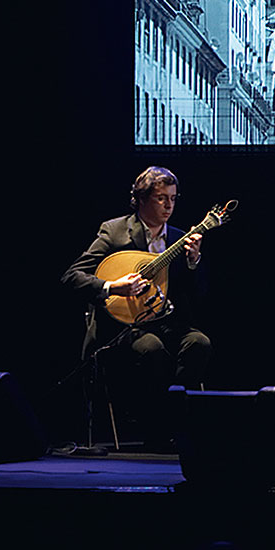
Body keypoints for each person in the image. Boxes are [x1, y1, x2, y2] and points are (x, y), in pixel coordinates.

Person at [61, 165, 211, 449]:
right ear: (141, 199)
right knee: (151, 349)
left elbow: (200, 295)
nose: (169, 205)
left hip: (166, 321)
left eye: (173, 198)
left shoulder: (179, 238)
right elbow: (72, 276)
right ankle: (156, 432)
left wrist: (193, 262)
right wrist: (112, 287)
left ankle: (177, 423)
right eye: (161, 198)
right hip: (122, 326)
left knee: (199, 343)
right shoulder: (115, 231)